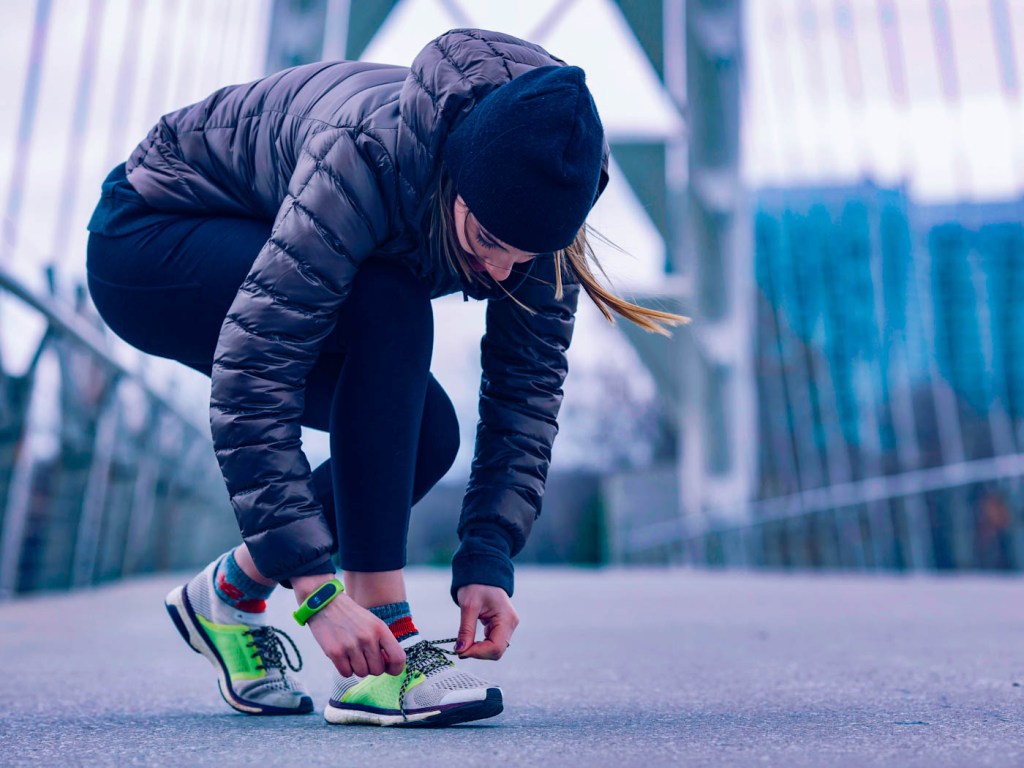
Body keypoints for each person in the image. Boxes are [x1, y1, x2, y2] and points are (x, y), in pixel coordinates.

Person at [85, 28, 683, 727]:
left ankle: (227, 594)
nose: (499, 273)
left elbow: (527, 389)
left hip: (269, 252)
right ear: (455, 180)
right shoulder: (364, 157)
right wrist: (315, 590)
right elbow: (256, 375)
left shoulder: (549, 194)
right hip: (151, 237)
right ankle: (386, 638)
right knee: (390, 302)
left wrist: (488, 557)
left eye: (524, 257)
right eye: (487, 242)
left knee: (424, 434)